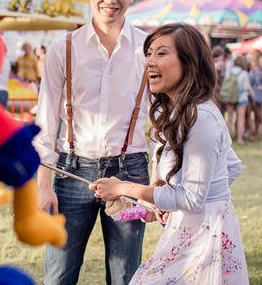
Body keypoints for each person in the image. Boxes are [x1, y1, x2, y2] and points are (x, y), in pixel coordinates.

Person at [90, 23, 249, 284]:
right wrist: (165, 203)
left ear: (188, 64)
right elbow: (231, 168)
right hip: (191, 229)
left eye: (162, 53)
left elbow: (192, 198)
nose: (150, 61)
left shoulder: (202, 118)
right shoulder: (175, 111)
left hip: (204, 237)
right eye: (149, 53)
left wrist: (123, 188)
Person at [33, 0, 151, 285]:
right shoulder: (63, 47)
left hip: (131, 170)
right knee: (58, 274)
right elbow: (45, 123)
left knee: (126, 275)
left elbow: (161, 123)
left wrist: (158, 186)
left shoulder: (149, 48)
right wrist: (44, 185)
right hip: (71, 172)